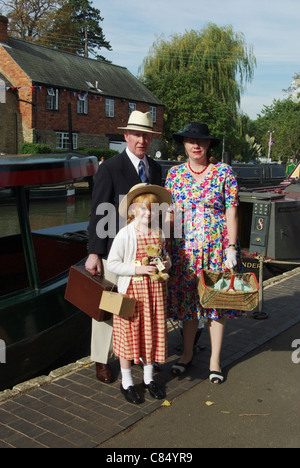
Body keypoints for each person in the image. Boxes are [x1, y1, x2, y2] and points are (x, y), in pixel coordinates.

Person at [85, 111, 162, 384]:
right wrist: (94, 253)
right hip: (115, 251)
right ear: (126, 136)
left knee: (139, 309)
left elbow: (159, 211)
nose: (141, 140)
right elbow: (98, 212)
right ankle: (101, 360)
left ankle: (136, 354)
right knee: (110, 306)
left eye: (146, 135)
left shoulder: (155, 168)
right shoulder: (110, 168)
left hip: (146, 252)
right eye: (136, 135)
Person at [165, 122, 243, 385]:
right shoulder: (174, 175)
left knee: (216, 303)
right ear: (184, 144)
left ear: (208, 144)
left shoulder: (224, 172)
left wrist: (231, 247)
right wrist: (163, 246)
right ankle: (186, 355)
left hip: (216, 249)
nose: (195, 145)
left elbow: (231, 211)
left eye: (200, 141)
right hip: (184, 251)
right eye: (189, 140)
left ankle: (214, 361)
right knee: (188, 305)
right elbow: (169, 213)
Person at [106, 183, 172, 404]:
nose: (148, 213)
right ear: (133, 210)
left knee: (151, 332)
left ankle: (148, 378)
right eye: (143, 208)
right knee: (129, 335)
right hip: (133, 292)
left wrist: (166, 263)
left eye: (152, 208)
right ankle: (126, 382)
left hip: (155, 292)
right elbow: (113, 264)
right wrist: (137, 269)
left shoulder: (158, 232)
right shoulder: (125, 234)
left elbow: (164, 258)